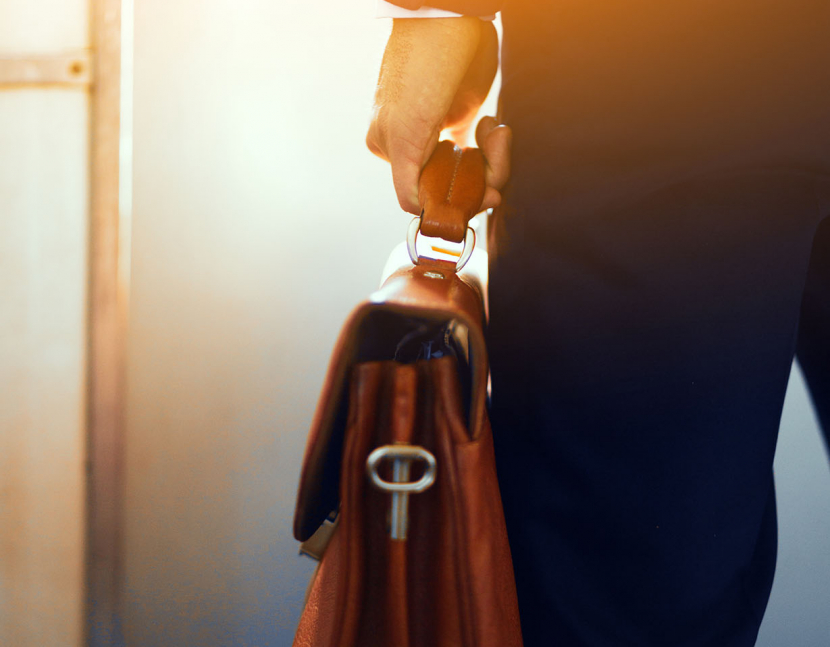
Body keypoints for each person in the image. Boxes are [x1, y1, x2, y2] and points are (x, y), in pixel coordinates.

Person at [366, 1, 830, 646]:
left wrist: (438, 13)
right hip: (658, 72)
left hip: (651, 74)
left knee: (628, 596)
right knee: (631, 588)